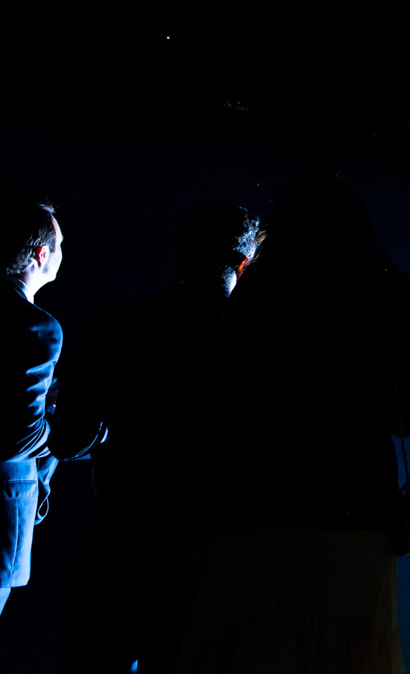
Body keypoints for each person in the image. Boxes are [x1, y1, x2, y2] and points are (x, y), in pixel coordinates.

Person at [176, 173, 410, 674]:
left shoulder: (255, 291)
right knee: (344, 648)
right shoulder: (386, 289)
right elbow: (407, 417)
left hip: (256, 501)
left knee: (250, 647)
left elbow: (222, 405)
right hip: (354, 504)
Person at [53, 204, 258, 672]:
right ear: (244, 263)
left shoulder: (114, 326)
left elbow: (67, 441)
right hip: (212, 556)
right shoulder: (260, 344)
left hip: (119, 544)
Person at [0, 196, 64, 618]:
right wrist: (57, 426)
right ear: (41, 254)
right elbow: (18, 434)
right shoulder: (37, 326)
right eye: (61, 245)